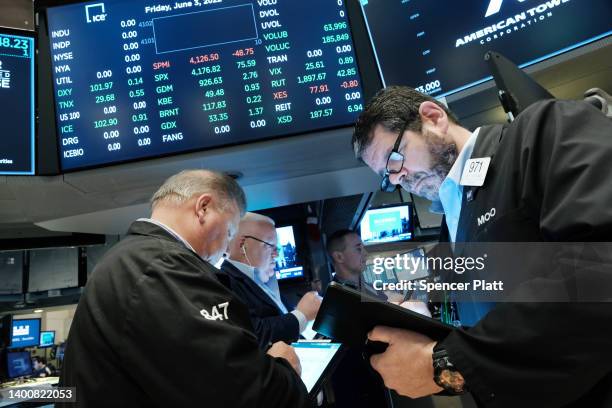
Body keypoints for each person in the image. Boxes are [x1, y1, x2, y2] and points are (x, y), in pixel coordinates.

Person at [351, 86, 612, 406]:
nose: (395, 179)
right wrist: (424, 315)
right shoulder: (453, 219)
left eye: (395, 158)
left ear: (433, 118)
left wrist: (446, 365)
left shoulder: (543, 130)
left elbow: (598, 275)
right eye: (385, 176)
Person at [59, 170, 311, 407]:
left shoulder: (133, 258)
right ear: (203, 208)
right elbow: (239, 392)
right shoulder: (165, 267)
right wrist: (282, 368)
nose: (226, 247)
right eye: (230, 230)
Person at [222, 212, 321, 349]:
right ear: (243, 244)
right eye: (271, 246)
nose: (277, 254)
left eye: (278, 248)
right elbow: (253, 333)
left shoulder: (264, 282)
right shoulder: (224, 282)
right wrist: (301, 314)